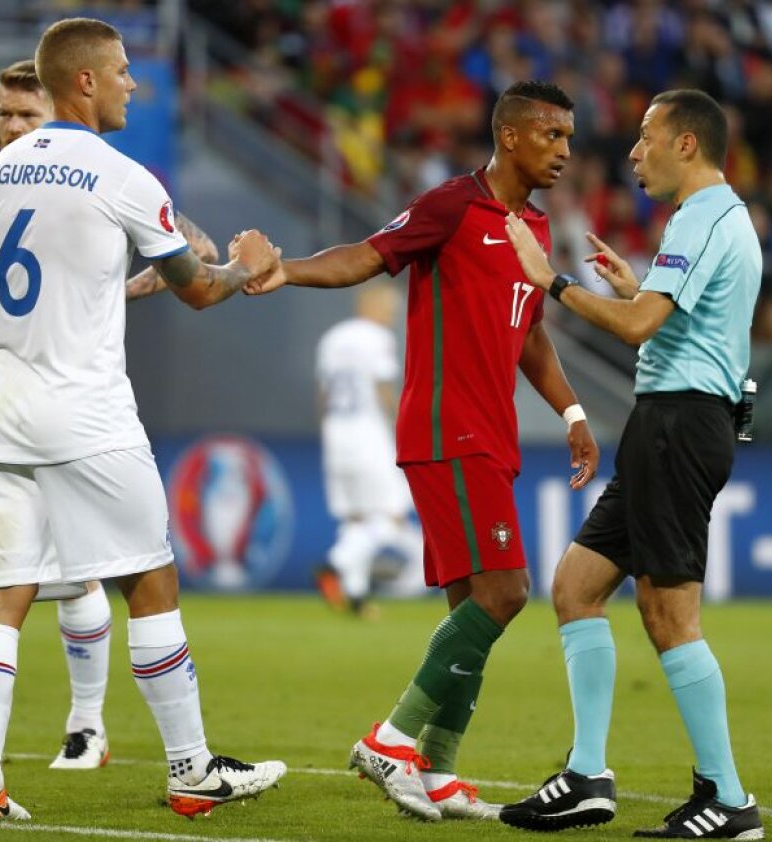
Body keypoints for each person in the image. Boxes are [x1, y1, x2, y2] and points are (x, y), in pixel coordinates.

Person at [0, 17, 285, 822]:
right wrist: (245, 263)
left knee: (2, 594)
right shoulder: (123, 177)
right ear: (83, 82)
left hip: (3, 410)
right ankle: (190, 771)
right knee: (149, 577)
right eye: (120, 72)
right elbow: (199, 288)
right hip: (88, 412)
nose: (131, 84)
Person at [246, 80, 599, 822]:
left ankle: (436, 771)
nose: (565, 150)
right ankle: (391, 738)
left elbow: (529, 331)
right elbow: (370, 255)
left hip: (490, 434)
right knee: (507, 593)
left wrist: (569, 408)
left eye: (569, 136)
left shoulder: (531, 226)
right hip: (446, 429)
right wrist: (290, 271)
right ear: (509, 136)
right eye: (551, 134)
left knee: (472, 602)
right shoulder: (452, 207)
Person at [497, 88, 764, 839]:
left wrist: (547, 278)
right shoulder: (714, 221)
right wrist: (632, 289)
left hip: (680, 426)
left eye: (647, 138)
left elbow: (641, 327)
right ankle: (587, 775)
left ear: (687, 145)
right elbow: (666, 319)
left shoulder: (706, 216)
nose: (634, 152)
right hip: (671, 421)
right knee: (576, 586)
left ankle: (730, 797)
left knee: (669, 615)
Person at [314, 282, 426, 617]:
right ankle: (335, 563)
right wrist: (402, 430)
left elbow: (321, 395)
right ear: (373, 306)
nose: (392, 316)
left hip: (335, 431)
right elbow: (382, 388)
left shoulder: (331, 338)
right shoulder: (377, 338)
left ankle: (356, 597)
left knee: (356, 517)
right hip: (368, 431)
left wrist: (327, 432)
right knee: (391, 514)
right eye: (390, 309)